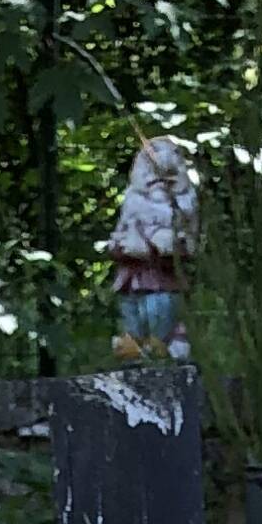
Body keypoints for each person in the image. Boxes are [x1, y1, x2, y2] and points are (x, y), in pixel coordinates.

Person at [108, 133, 197, 359]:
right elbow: (115, 243)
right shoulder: (132, 206)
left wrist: (165, 247)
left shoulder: (183, 213)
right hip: (131, 283)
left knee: (162, 316)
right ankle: (133, 352)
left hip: (164, 284)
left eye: (167, 178)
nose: (159, 183)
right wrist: (124, 246)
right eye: (152, 176)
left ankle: (163, 350)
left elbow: (190, 248)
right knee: (132, 321)